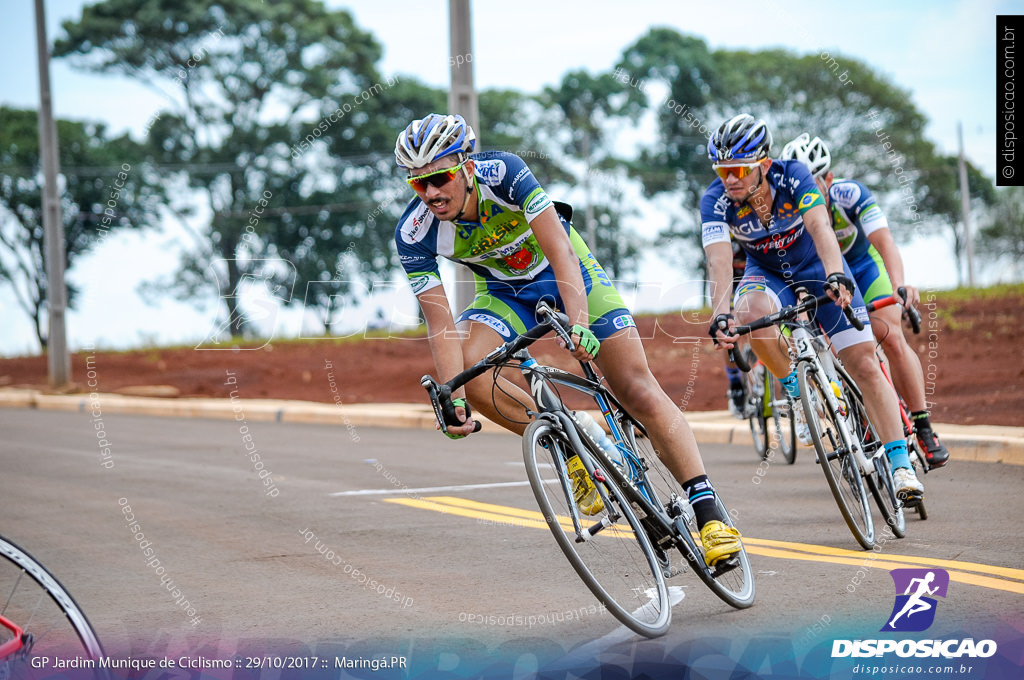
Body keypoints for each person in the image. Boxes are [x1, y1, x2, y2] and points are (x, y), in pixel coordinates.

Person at [393, 113, 743, 565]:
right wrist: (451, 394)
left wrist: (578, 323)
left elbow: (559, 249)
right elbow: (439, 321)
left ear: (467, 166)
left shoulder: (505, 173)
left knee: (635, 387)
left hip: (570, 274)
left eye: (438, 177)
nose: (431, 194)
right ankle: (571, 443)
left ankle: (708, 511)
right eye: (417, 184)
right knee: (472, 376)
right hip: (504, 293)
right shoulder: (413, 233)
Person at [701, 113, 925, 505]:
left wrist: (837, 275)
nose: (729, 179)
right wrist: (721, 313)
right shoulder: (715, 201)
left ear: (764, 165)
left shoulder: (795, 177)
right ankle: (798, 392)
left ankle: (900, 461)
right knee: (747, 312)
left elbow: (822, 228)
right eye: (722, 171)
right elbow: (719, 260)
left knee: (865, 363)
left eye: (738, 169)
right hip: (768, 274)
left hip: (818, 267)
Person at [780, 133, 949, 468]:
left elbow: (885, 243)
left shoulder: (850, 194)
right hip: (822, 279)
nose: (807, 189)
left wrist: (899, 285)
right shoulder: (788, 209)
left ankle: (923, 426)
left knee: (891, 336)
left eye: (814, 182)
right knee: (830, 345)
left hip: (862, 268)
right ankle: (855, 418)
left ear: (828, 179)